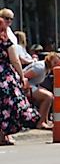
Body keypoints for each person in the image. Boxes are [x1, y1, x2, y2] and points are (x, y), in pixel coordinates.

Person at [1, 8, 40, 145]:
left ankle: (4, 135)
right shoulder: (6, 41)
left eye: (11, 19)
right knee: (11, 105)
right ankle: (4, 135)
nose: (9, 21)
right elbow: (15, 60)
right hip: (5, 77)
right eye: (6, 18)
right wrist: (22, 76)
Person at [23, 52, 60, 130]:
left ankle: (45, 120)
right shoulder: (40, 68)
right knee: (48, 97)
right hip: (24, 87)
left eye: (57, 64)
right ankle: (40, 123)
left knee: (50, 95)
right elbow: (24, 76)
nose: (55, 65)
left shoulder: (47, 69)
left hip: (32, 85)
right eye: (54, 62)